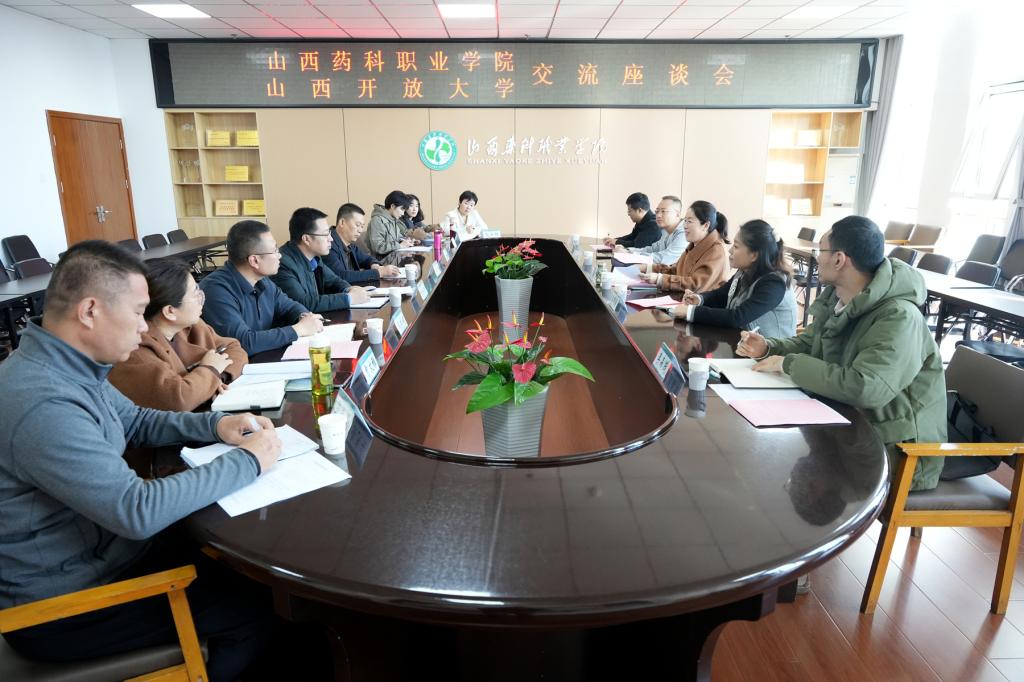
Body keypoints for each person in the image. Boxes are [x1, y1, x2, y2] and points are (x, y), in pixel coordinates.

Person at [0, 240, 282, 680]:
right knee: (254, 608)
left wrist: (216, 425)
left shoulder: (67, 364)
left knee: (248, 569)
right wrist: (248, 461)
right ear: (90, 311)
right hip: (65, 604)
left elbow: (134, 420)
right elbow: (136, 510)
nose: (142, 327)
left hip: (107, 553)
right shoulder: (43, 401)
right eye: (136, 312)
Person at [737, 215, 947, 491]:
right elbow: (810, 343)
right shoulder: (839, 296)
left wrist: (789, 364)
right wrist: (768, 347)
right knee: (764, 455)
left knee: (772, 467)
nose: (816, 258)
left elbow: (866, 388)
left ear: (838, 259)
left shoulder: (899, 316)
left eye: (820, 250)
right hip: (850, 427)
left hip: (897, 452)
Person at [108, 258, 248, 412]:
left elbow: (234, 348)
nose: (201, 298)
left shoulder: (190, 324)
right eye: (195, 294)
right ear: (170, 311)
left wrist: (217, 379)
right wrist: (211, 369)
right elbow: (178, 399)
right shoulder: (135, 348)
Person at [201, 220, 324, 355]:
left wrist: (303, 317)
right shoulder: (215, 291)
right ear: (254, 260)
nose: (280, 255)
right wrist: (299, 329)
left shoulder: (262, 280)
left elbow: (289, 306)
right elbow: (243, 343)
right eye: (275, 250)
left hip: (265, 358)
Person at [670, 219, 797, 339]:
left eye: (736, 246)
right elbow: (721, 295)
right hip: (743, 343)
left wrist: (691, 312)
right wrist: (699, 299)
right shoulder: (745, 270)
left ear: (754, 255)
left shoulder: (774, 283)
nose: (730, 251)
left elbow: (738, 317)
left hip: (772, 353)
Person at [272, 207, 371, 313]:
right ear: (306, 239)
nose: (331, 239)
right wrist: (349, 298)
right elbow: (303, 303)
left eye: (329, 233)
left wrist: (350, 289)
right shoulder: (283, 264)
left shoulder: (314, 257)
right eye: (325, 234)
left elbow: (334, 280)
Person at [639, 199, 730, 292]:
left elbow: (695, 284)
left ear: (705, 225)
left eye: (689, 221)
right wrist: (647, 268)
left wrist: (660, 279)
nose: (685, 226)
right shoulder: (694, 245)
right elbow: (676, 271)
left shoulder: (717, 251)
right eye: (685, 221)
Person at [323, 202, 402, 285]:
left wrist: (374, 264)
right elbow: (341, 276)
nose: (360, 230)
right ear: (342, 222)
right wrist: (379, 272)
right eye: (357, 225)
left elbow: (367, 259)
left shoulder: (350, 244)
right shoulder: (328, 246)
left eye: (362, 226)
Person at [614, 195, 687, 266]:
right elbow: (653, 249)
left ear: (677, 214)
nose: (658, 215)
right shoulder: (665, 231)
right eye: (657, 211)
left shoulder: (684, 233)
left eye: (663, 211)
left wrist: (631, 254)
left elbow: (664, 258)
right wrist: (628, 250)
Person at [367, 190, 418, 266]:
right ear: (393, 206)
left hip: (393, 260)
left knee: (415, 263)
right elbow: (378, 247)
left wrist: (408, 241)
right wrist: (400, 245)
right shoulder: (377, 220)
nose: (403, 213)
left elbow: (397, 238)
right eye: (401, 209)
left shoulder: (392, 219)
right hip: (382, 264)